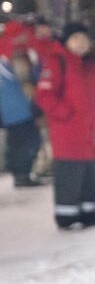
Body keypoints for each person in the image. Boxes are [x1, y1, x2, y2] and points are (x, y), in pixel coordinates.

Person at [33, 20, 95, 227]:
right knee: (70, 175)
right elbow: (44, 95)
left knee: (90, 173)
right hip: (68, 133)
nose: (81, 43)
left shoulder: (92, 64)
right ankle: (67, 216)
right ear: (66, 41)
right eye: (75, 39)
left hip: (92, 133)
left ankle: (88, 212)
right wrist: (66, 113)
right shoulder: (58, 62)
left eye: (84, 39)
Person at [0, 46, 42, 187]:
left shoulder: (5, 65)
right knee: (25, 144)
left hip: (13, 113)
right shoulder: (9, 65)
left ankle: (20, 174)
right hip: (19, 112)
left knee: (20, 144)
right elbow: (27, 85)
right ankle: (22, 175)